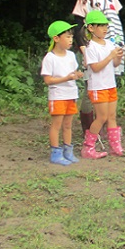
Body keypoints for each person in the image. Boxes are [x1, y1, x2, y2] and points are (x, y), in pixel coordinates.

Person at [72, 0, 125, 133]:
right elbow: (78, 29)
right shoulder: (84, 0)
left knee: (109, 85)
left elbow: (116, 26)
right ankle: (88, 129)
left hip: (111, 47)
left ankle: (106, 125)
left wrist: (124, 49)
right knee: (90, 88)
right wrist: (84, 49)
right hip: (92, 49)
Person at [82, 10, 125, 158]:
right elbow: (95, 68)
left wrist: (118, 57)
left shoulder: (109, 43)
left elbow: (114, 64)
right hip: (98, 86)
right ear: (91, 28)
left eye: (106, 26)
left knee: (112, 116)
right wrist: (110, 56)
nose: (105, 29)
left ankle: (116, 147)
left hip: (110, 85)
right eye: (101, 25)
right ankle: (88, 147)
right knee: (101, 117)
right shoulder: (91, 47)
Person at [41, 21, 84, 165]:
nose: (70, 40)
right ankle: (55, 152)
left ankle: (68, 151)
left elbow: (72, 72)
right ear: (56, 38)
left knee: (68, 125)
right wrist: (66, 78)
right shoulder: (50, 58)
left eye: (71, 37)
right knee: (57, 125)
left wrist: (77, 74)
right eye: (67, 37)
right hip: (58, 95)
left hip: (71, 94)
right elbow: (47, 80)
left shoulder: (71, 55)